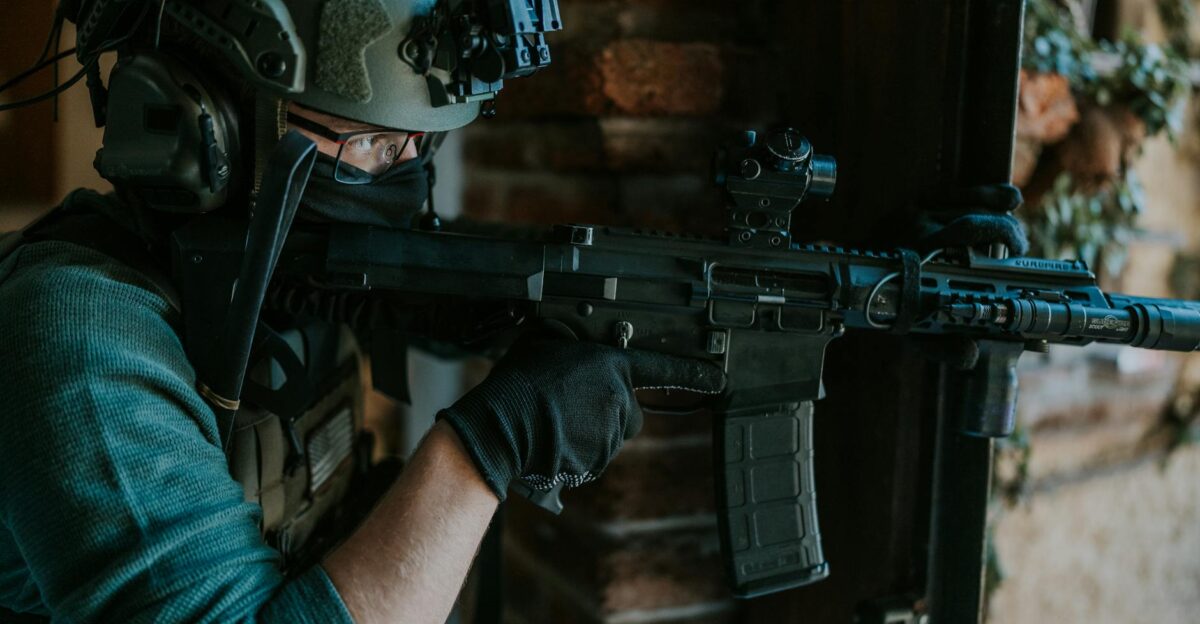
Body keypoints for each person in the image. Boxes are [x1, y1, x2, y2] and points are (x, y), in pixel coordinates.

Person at [0, 1, 724, 622]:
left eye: (419, 143)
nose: (402, 174)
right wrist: (486, 448)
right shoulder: (77, 330)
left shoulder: (269, 266)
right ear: (195, 119)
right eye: (373, 140)